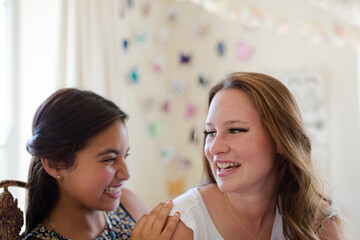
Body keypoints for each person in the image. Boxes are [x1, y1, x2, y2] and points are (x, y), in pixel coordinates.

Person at [169, 72, 344, 240]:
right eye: (210, 132)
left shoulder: (314, 223)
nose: (214, 148)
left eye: (235, 130)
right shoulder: (182, 222)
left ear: (280, 140)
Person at [24, 88, 180, 240]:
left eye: (125, 156)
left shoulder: (127, 203)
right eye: (109, 159)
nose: (126, 174)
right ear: (55, 164)